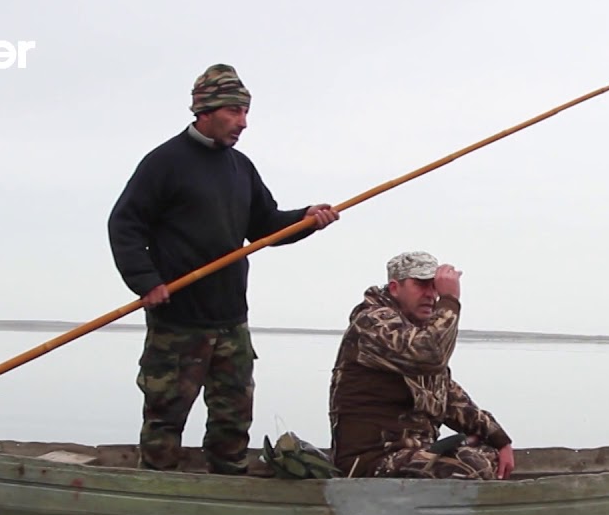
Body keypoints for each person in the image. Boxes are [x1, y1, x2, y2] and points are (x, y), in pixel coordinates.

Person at [107, 63, 339, 474]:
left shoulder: (241, 167)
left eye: (246, 112)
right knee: (165, 415)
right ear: (206, 111)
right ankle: (156, 484)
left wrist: (306, 219)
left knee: (233, 417)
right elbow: (125, 224)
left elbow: (266, 226)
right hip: (178, 320)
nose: (243, 123)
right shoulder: (165, 162)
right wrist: (146, 281)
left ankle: (229, 480)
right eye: (235, 111)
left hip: (231, 320)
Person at [327, 251, 516, 479]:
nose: (430, 295)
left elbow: (449, 397)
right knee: (468, 467)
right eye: (421, 285)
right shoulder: (372, 323)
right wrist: (450, 301)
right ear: (395, 288)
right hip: (370, 461)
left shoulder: (416, 333)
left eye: (434, 287)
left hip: (415, 453)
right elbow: (430, 355)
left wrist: (500, 440)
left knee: (488, 454)